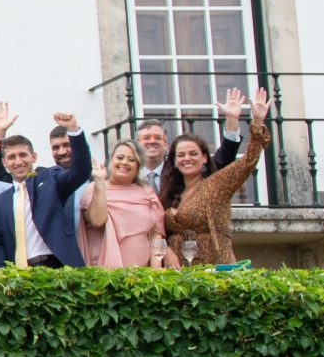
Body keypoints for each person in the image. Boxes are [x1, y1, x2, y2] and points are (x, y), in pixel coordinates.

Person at [164, 88, 272, 266]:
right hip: (177, 274)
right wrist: (166, 249)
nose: (187, 159)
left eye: (193, 154)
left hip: (213, 265)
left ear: (204, 157)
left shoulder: (218, 183)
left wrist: (257, 120)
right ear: (174, 161)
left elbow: (249, 160)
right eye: (181, 155)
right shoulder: (169, 190)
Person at [0, 109, 95, 268]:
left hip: (55, 267)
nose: (18, 161)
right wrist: (0, 278)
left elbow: (80, 172)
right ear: (4, 163)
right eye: (11, 157)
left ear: (34, 157)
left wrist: (73, 130)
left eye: (23, 155)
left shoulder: (50, 179)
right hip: (18, 274)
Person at [81, 139, 175, 268]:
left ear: (138, 166)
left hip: (142, 275)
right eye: (120, 157)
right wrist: (99, 183)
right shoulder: (94, 188)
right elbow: (97, 221)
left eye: (131, 159)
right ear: (111, 160)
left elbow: (155, 235)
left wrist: (156, 270)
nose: (124, 162)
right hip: (105, 273)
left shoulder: (146, 192)